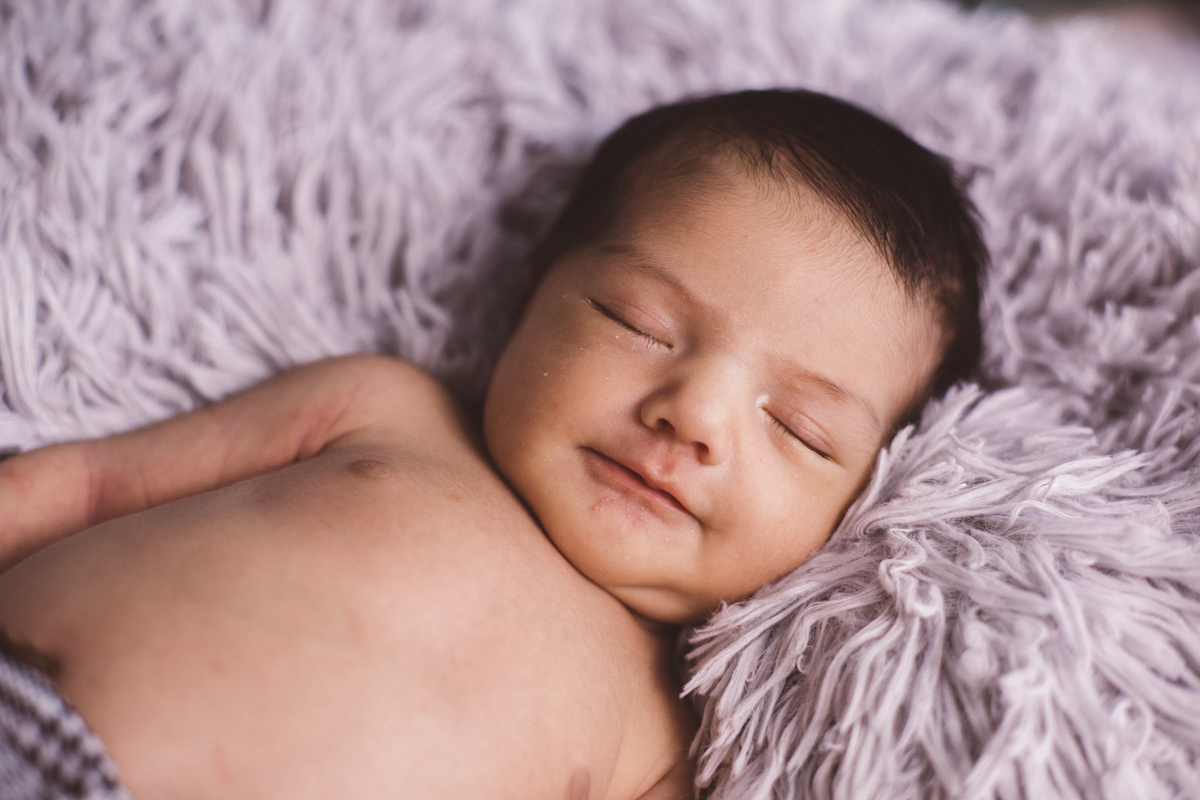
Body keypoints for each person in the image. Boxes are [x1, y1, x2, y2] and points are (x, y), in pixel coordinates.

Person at [0, 89, 986, 799]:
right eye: (634, 319)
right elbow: (89, 482)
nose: (695, 413)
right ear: (532, 290)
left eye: (798, 429)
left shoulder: (665, 732)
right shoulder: (380, 407)